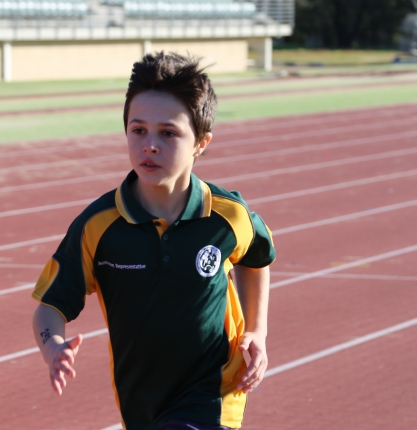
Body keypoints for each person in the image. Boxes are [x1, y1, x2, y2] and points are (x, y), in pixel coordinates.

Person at [31, 51, 276, 430]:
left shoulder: (227, 217)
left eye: (168, 133)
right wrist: (52, 347)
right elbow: (50, 306)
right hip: (140, 402)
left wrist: (255, 332)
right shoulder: (99, 226)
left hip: (213, 393)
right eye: (138, 130)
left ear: (201, 142)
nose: (150, 145)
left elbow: (256, 256)